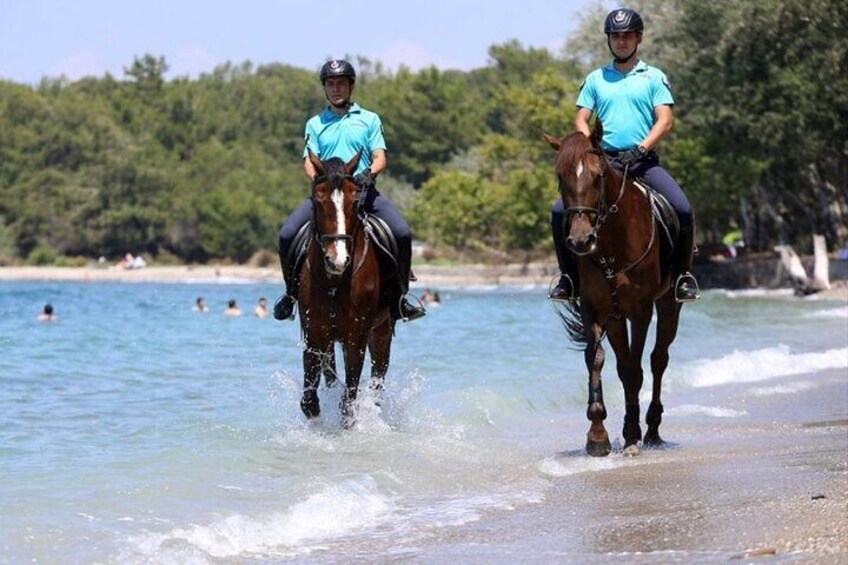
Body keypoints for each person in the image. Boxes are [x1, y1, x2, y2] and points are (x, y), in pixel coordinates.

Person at [549, 8, 700, 303]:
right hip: (603, 163)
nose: (621, 41)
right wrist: (587, 144)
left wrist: (641, 148)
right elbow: (581, 119)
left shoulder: (654, 77)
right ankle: (569, 279)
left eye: (627, 36)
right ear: (609, 40)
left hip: (642, 163)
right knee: (558, 212)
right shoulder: (596, 79)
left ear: (638, 38)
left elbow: (665, 121)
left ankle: (683, 276)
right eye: (615, 36)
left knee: (683, 209)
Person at [274, 59, 426, 323]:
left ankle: (401, 299)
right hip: (326, 199)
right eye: (330, 84)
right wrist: (319, 182)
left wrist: (369, 174)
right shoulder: (314, 123)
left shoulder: (369, 120)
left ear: (351, 86)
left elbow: (380, 156)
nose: (336, 89)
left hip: (363, 194)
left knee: (402, 232)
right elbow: (309, 162)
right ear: (325, 88)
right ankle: (289, 295)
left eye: (341, 83)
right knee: (286, 235)